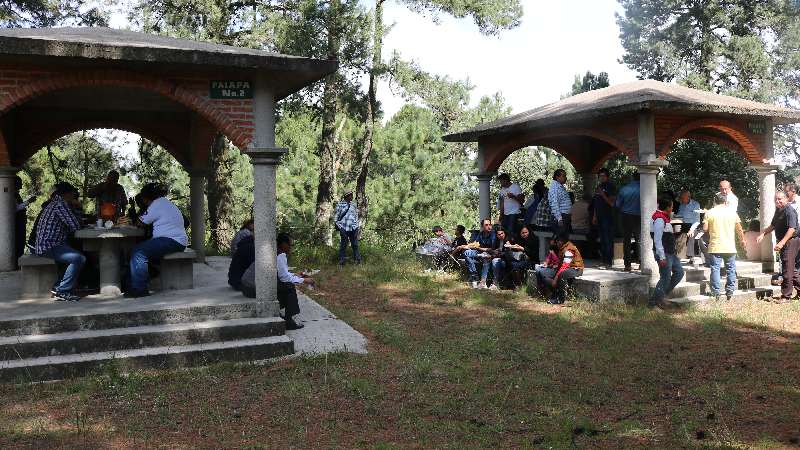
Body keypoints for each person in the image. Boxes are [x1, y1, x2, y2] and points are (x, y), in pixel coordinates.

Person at [126, 183, 188, 298]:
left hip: (171, 240)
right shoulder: (165, 202)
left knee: (139, 252)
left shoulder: (156, 205)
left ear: (145, 197)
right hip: (177, 240)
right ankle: (132, 285)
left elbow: (141, 223)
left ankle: (140, 289)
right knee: (138, 250)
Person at [239, 233, 312, 330]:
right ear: (283, 244)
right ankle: (289, 321)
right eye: (291, 245)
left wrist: (294, 275)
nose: (291, 247)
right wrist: (304, 280)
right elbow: (284, 278)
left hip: (245, 286)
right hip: (254, 288)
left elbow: (282, 274)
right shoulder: (280, 254)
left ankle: (279, 312)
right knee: (289, 287)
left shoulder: (271, 251)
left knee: (283, 285)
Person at [34, 182, 85, 302]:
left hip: (51, 244)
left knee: (73, 254)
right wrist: (79, 208)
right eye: (73, 193)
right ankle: (63, 291)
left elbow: (74, 223)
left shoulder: (57, 203)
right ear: (67, 193)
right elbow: (76, 225)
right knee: (78, 258)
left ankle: (58, 287)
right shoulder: (60, 204)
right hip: (49, 246)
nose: (75, 195)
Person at [756, 191, 800, 302]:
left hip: (790, 241)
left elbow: (792, 229)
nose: (777, 201)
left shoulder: (789, 211)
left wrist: (782, 243)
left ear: (786, 199)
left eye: (780, 199)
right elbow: (773, 225)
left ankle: (786, 296)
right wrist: (763, 233)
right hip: (784, 241)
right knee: (791, 269)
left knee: (786, 270)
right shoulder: (779, 210)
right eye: (776, 199)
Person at [704, 193, 744, 300]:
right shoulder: (732, 213)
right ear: (725, 202)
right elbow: (739, 229)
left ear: (715, 201)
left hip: (715, 245)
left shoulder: (709, 213)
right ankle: (730, 291)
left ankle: (716, 292)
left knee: (715, 269)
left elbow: (705, 228)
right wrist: (742, 240)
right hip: (730, 246)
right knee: (731, 269)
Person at [650, 197, 684, 308]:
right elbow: (657, 240)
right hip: (664, 253)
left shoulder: (664, 218)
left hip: (670, 252)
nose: (673, 208)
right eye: (672, 206)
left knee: (679, 272)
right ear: (668, 208)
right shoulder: (659, 219)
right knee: (665, 277)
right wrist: (661, 257)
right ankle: (654, 302)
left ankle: (661, 296)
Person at [536, 232, 584, 305]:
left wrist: (555, 279)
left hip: (576, 269)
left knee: (562, 274)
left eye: (560, 240)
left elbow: (565, 266)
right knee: (543, 273)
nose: (558, 242)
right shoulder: (561, 248)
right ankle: (550, 294)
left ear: (564, 241)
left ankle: (560, 299)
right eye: (557, 241)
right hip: (566, 268)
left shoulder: (569, 249)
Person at [615, 172, 641, 271]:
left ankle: (627, 265)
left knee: (627, 241)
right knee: (640, 240)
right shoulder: (644, 188)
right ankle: (642, 263)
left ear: (632, 177)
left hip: (626, 216)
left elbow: (618, 204)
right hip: (639, 216)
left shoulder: (624, 189)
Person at [460, 218, 496, 289]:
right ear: (482, 226)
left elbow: (492, 249)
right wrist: (466, 246)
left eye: (490, 224)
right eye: (486, 225)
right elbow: (476, 243)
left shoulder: (493, 234)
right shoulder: (481, 233)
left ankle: (482, 282)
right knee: (466, 253)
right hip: (480, 252)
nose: (489, 226)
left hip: (490, 254)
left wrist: (479, 248)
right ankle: (474, 275)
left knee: (486, 258)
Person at [592, 168, 616, 268]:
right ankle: (603, 260)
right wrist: (594, 216)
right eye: (599, 176)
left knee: (608, 239)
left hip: (608, 217)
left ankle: (609, 262)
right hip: (599, 216)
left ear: (607, 176)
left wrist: (603, 194)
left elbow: (611, 203)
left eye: (603, 176)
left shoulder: (611, 186)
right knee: (602, 239)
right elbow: (596, 203)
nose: (601, 178)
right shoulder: (599, 186)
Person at [335, 190, 361, 265]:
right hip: (344, 228)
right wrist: (340, 227)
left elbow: (356, 216)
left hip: (353, 228)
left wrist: (357, 226)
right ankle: (341, 262)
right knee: (343, 245)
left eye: (352, 195)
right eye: (351, 195)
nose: (352, 196)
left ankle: (357, 261)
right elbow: (336, 217)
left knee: (355, 244)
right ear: (347, 196)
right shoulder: (340, 205)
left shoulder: (353, 205)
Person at [14, 176, 35, 265]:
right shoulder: (11, 195)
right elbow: (15, 208)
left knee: (21, 242)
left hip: (20, 223)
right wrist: (28, 202)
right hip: (16, 224)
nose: (21, 186)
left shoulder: (16, 194)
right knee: (18, 243)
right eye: (19, 184)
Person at [676, 190, 701, 261]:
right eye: (681, 198)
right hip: (683, 224)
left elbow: (697, 220)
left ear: (688, 197)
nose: (681, 199)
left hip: (693, 225)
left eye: (682, 198)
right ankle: (680, 255)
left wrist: (691, 229)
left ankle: (691, 256)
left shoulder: (695, 204)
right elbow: (679, 215)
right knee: (677, 233)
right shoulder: (682, 205)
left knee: (692, 234)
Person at [548, 169, 572, 235]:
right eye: (563, 176)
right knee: (560, 240)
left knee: (563, 239)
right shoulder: (555, 188)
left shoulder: (560, 186)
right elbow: (554, 203)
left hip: (564, 216)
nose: (565, 178)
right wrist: (559, 218)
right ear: (557, 177)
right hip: (561, 217)